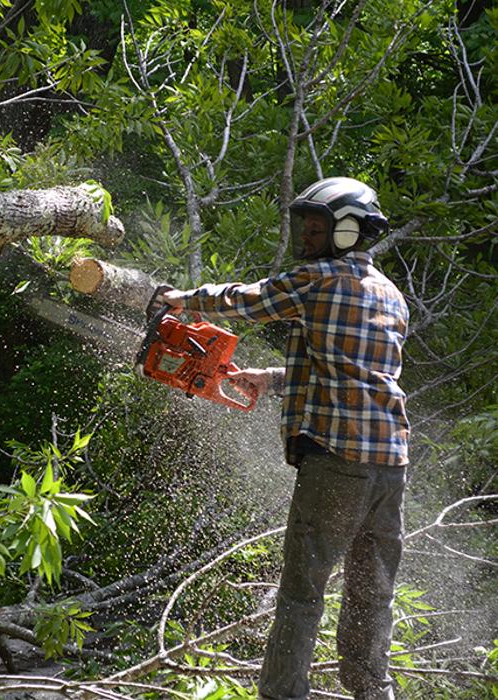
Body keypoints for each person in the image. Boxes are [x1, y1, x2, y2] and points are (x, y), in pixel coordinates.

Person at [162, 177, 410, 700]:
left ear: (347, 231)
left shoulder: (318, 279)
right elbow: (356, 369)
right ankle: (373, 692)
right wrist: (272, 378)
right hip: (390, 467)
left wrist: (181, 300)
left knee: (301, 595)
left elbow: (246, 301)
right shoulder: (390, 293)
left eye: (317, 227)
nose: (306, 236)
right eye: (306, 225)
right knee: (372, 600)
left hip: (338, 461)